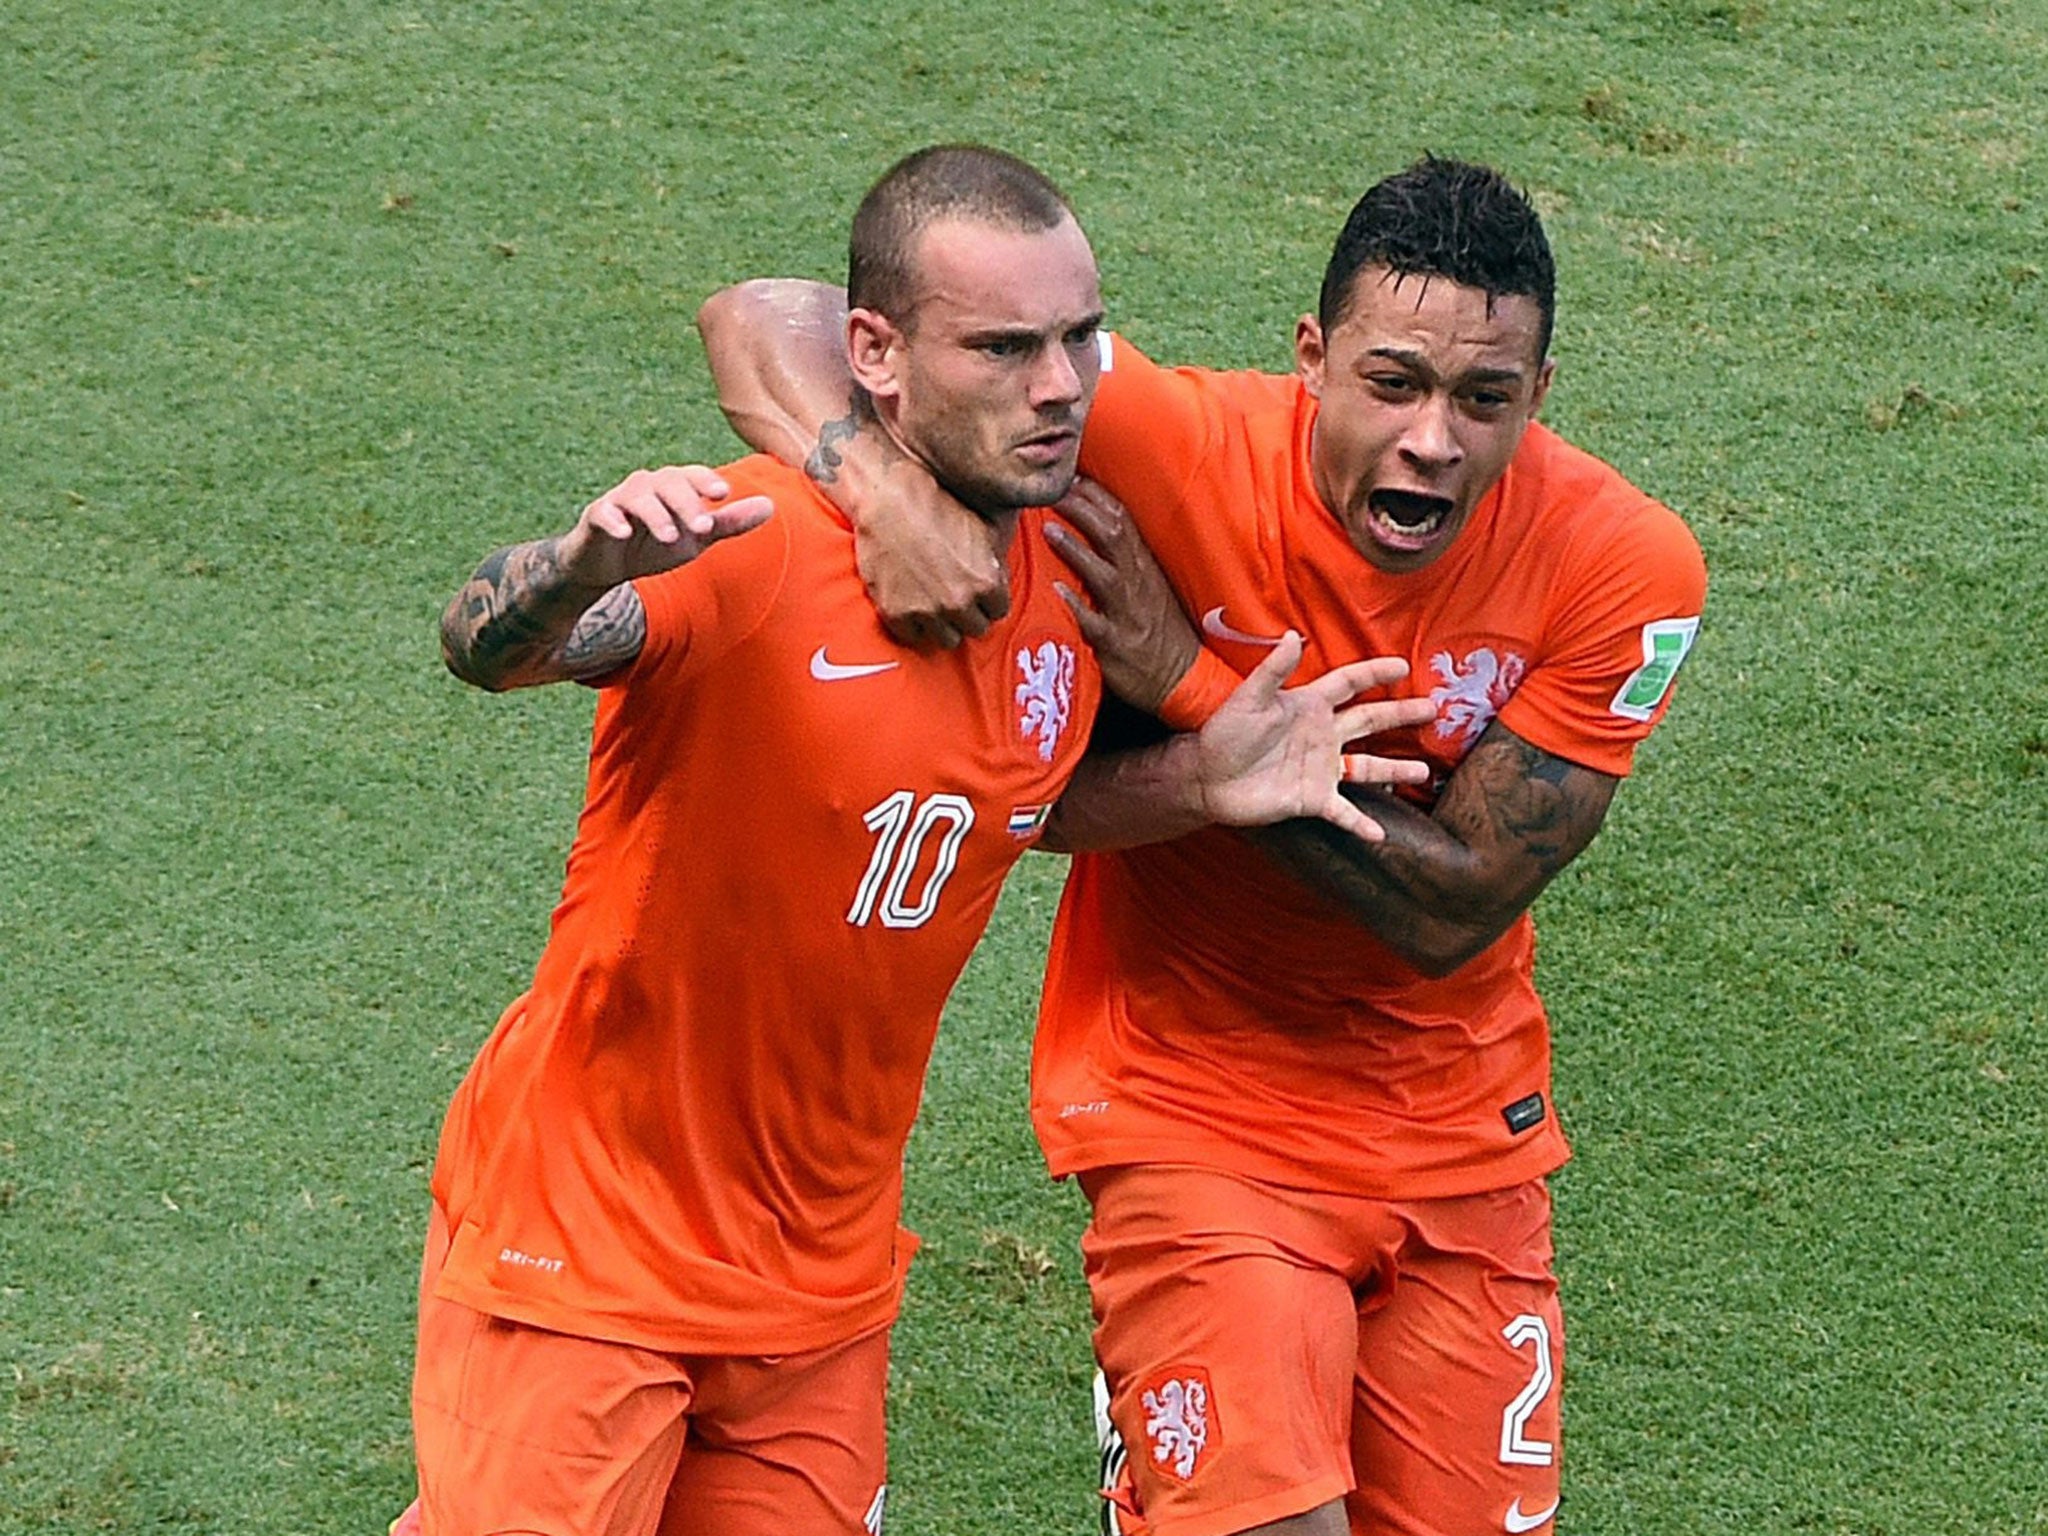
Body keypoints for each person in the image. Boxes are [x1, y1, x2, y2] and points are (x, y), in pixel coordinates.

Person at [393, 143, 1436, 1536]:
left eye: (1079, 335)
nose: (1061, 384)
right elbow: (487, 646)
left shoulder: (1074, 577)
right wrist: (585, 565)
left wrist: (1199, 779)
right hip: (580, 1252)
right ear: (874, 354)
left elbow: (1003, 802)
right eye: (1005, 348)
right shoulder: (758, 542)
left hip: (821, 1293)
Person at [695, 155, 1708, 1536]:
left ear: (1541, 392)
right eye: (1393, 381)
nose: (1433, 441)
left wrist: (1191, 683)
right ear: (1312, 359)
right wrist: (881, 492)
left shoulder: (1624, 565)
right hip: (1193, 1105)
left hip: (1465, 1141)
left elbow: (1452, 909)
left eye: (1486, 400)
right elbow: (766, 314)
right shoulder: (1165, 439)